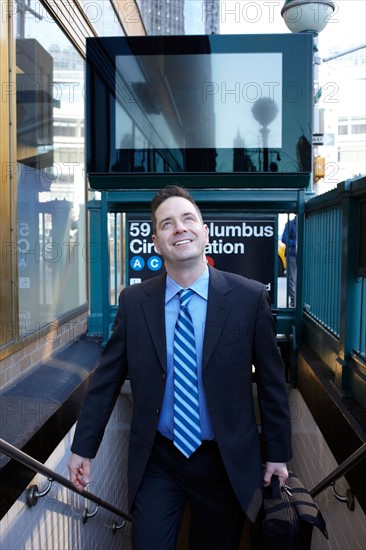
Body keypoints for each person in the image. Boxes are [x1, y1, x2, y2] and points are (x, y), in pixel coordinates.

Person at [68, 185, 292, 549]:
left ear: (205, 232)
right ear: (157, 242)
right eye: (167, 224)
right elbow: (106, 380)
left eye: (188, 219)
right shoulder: (134, 301)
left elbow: (272, 383)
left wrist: (278, 455)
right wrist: (83, 447)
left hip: (225, 461)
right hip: (159, 459)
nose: (180, 228)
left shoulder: (249, 298)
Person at [282, 216, 297, 307]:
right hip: (292, 255)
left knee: (301, 279)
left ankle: (298, 299)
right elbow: (284, 238)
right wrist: (296, 243)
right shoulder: (290, 224)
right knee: (291, 279)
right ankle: (294, 299)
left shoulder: (307, 222)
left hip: (303, 255)